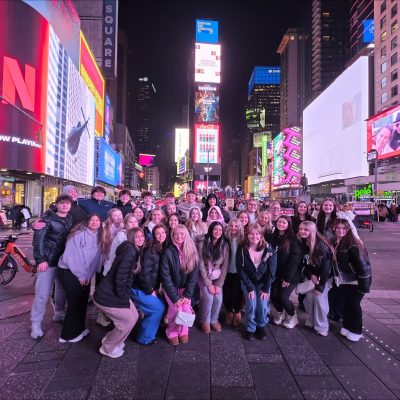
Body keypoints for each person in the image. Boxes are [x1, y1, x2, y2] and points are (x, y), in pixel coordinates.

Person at [93, 228, 144, 358]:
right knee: (127, 321)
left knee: (134, 316)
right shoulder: (130, 251)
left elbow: (128, 277)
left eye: (141, 236)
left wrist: (125, 296)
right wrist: (123, 297)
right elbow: (120, 277)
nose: (140, 239)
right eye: (136, 237)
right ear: (131, 238)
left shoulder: (133, 250)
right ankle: (107, 348)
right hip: (107, 295)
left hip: (115, 293)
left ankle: (112, 340)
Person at [30, 195, 74, 339]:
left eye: (67, 204)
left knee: (61, 291)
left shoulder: (70, 219)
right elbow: (38, 241)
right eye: (62, 203)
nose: (65, 206)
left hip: (63, 262)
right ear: (57, 205)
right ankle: (35, 324)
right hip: (47, 262)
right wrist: (40, 259)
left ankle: (59, 313)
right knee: (42, 294)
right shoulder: (47, 218)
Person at [57, 214, 103, 343]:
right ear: (86, 221)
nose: (95, 222)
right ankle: (67, 335)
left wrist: (88, 275)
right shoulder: (78, 234)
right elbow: (72, 257)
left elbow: (95, 259)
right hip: (69, 271)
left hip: (85, 273)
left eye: (97, 220)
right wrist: (81, 275)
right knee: (75, 302)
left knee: (83, 301)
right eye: (92, 220)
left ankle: (79, 328)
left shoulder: (99, 235)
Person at [331, 219, 372, 342]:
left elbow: (363, 266)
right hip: (345, 280)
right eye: (338, 228)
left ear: (348, 229)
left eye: (344, 228)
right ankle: (347, 326)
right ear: (334, 228)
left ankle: (356, 330)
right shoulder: (335, 241)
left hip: (357, 280)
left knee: (354, 305)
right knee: (347, 304)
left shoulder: (353, 243)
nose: (341, 230)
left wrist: (364, 285)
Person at [237, 223, 277, 341]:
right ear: (247, 235)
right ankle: (250, 327)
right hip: (248, 282)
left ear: (261, 235)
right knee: (251, 304)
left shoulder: (269, 249)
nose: (254, 236)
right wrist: (249, 287)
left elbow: (271, 272)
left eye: (257, 234)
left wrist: (265, 288)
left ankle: (261, 325)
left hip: (263, 283)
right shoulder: (242, 248)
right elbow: (240, 270)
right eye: (251, 234)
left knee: (263, 305)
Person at [161, 224, 199, 345]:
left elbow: (194, 276)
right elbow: (165, 277)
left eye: (182, 233)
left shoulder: (192, 250)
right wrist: (175, 297)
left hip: (185, 289)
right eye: (176, 234)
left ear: (186, 235)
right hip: (171, 288)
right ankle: (172, 331)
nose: (179, 236)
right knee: (176, 309)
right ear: (172, 235)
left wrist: (187, 295)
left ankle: (183, 330)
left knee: (186, 309)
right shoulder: (168, 251)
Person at [132, 224, 167, 345]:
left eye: (163, 233)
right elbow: (144, 273)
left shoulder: (161, 248)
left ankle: (150, 330)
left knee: (162, 303)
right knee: (158, 308)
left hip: (148, 287)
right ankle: (144, 338)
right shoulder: (151, 250)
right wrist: (150, 290)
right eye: (158, 233)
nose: (161, 235)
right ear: (153, 235)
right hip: (139, 288)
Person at [298, 221, 334, 337]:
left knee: (319, 300)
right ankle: (312, 320)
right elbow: (305, 264)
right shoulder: (303, 243)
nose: (302, 231)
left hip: (324, 278)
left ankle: (322, 326)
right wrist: (310, 276)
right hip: (312, 276)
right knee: (308, 299)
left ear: (312, 231)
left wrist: (320, 286)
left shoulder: (321, 245)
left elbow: (326, 268)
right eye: (301, 229)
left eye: (306, 230)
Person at [197, 221, 229, 334]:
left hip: (217, 275)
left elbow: (225, 266)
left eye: (220, 230)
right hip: (203, 275)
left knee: (218, 298)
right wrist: (208, 283)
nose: (218, 232)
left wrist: (218, 284)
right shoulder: (202, 242)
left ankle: (214, 319)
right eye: (215, 229)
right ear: (211, 230)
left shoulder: (224, 244)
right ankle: (204, 320)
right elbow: (200, 264)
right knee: (209, 297)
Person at [270, 216, 302, 329]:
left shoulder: (293, 240)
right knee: (273, 295)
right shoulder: (273, 237)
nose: (281, 224)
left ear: (288, 225)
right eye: (279, 222)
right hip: (276, 274)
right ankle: (280, 312)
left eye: (284, 223)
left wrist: (288, 278)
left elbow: (295, 260)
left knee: (283, 296)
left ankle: (292, 315)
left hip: (290, 275)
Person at [223, 218, 245, 328]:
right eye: (231, 226)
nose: (234, 228)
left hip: (238, 271)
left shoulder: (243, 239)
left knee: (237, 293)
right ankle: (228, 311)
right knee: (226, 293)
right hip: (226, 271)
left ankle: (237, 311)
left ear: (240, 227)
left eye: (236, 226)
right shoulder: (225, 238)